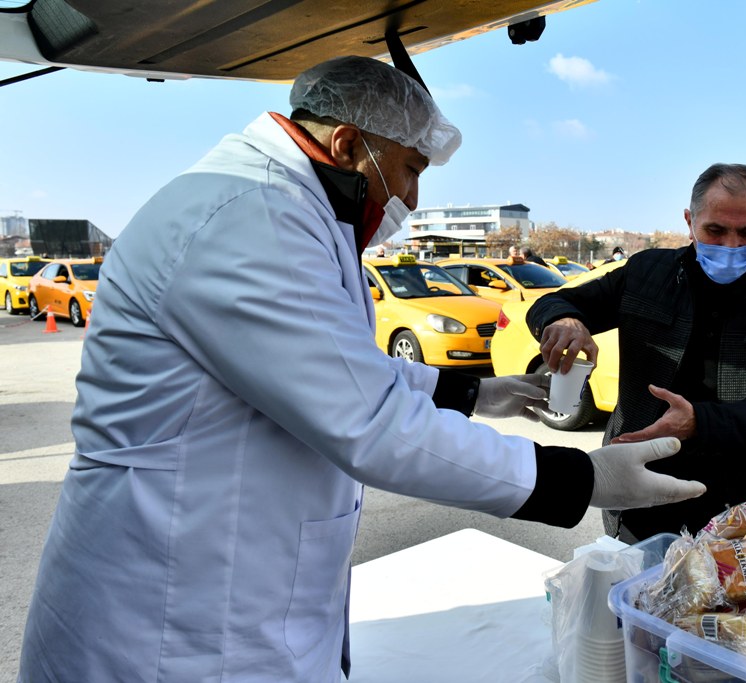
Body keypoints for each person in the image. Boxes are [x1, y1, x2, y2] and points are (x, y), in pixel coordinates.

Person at [18, 56, 706, 682]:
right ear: (348, 145)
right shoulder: (249, 216)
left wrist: (476, 391)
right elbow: (369, 422)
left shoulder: (286, 207)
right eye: (409, 168)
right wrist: (580, 476)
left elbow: (335, 370)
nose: (410, 194)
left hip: (229, 580)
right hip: (174, 614)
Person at [527, 163, 746, 543]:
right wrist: (565, 321)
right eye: (715, 231)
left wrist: (699, 422)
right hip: (642, 488)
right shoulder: (646, 273)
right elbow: (555, 302)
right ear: (690, 221)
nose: (731, 246)